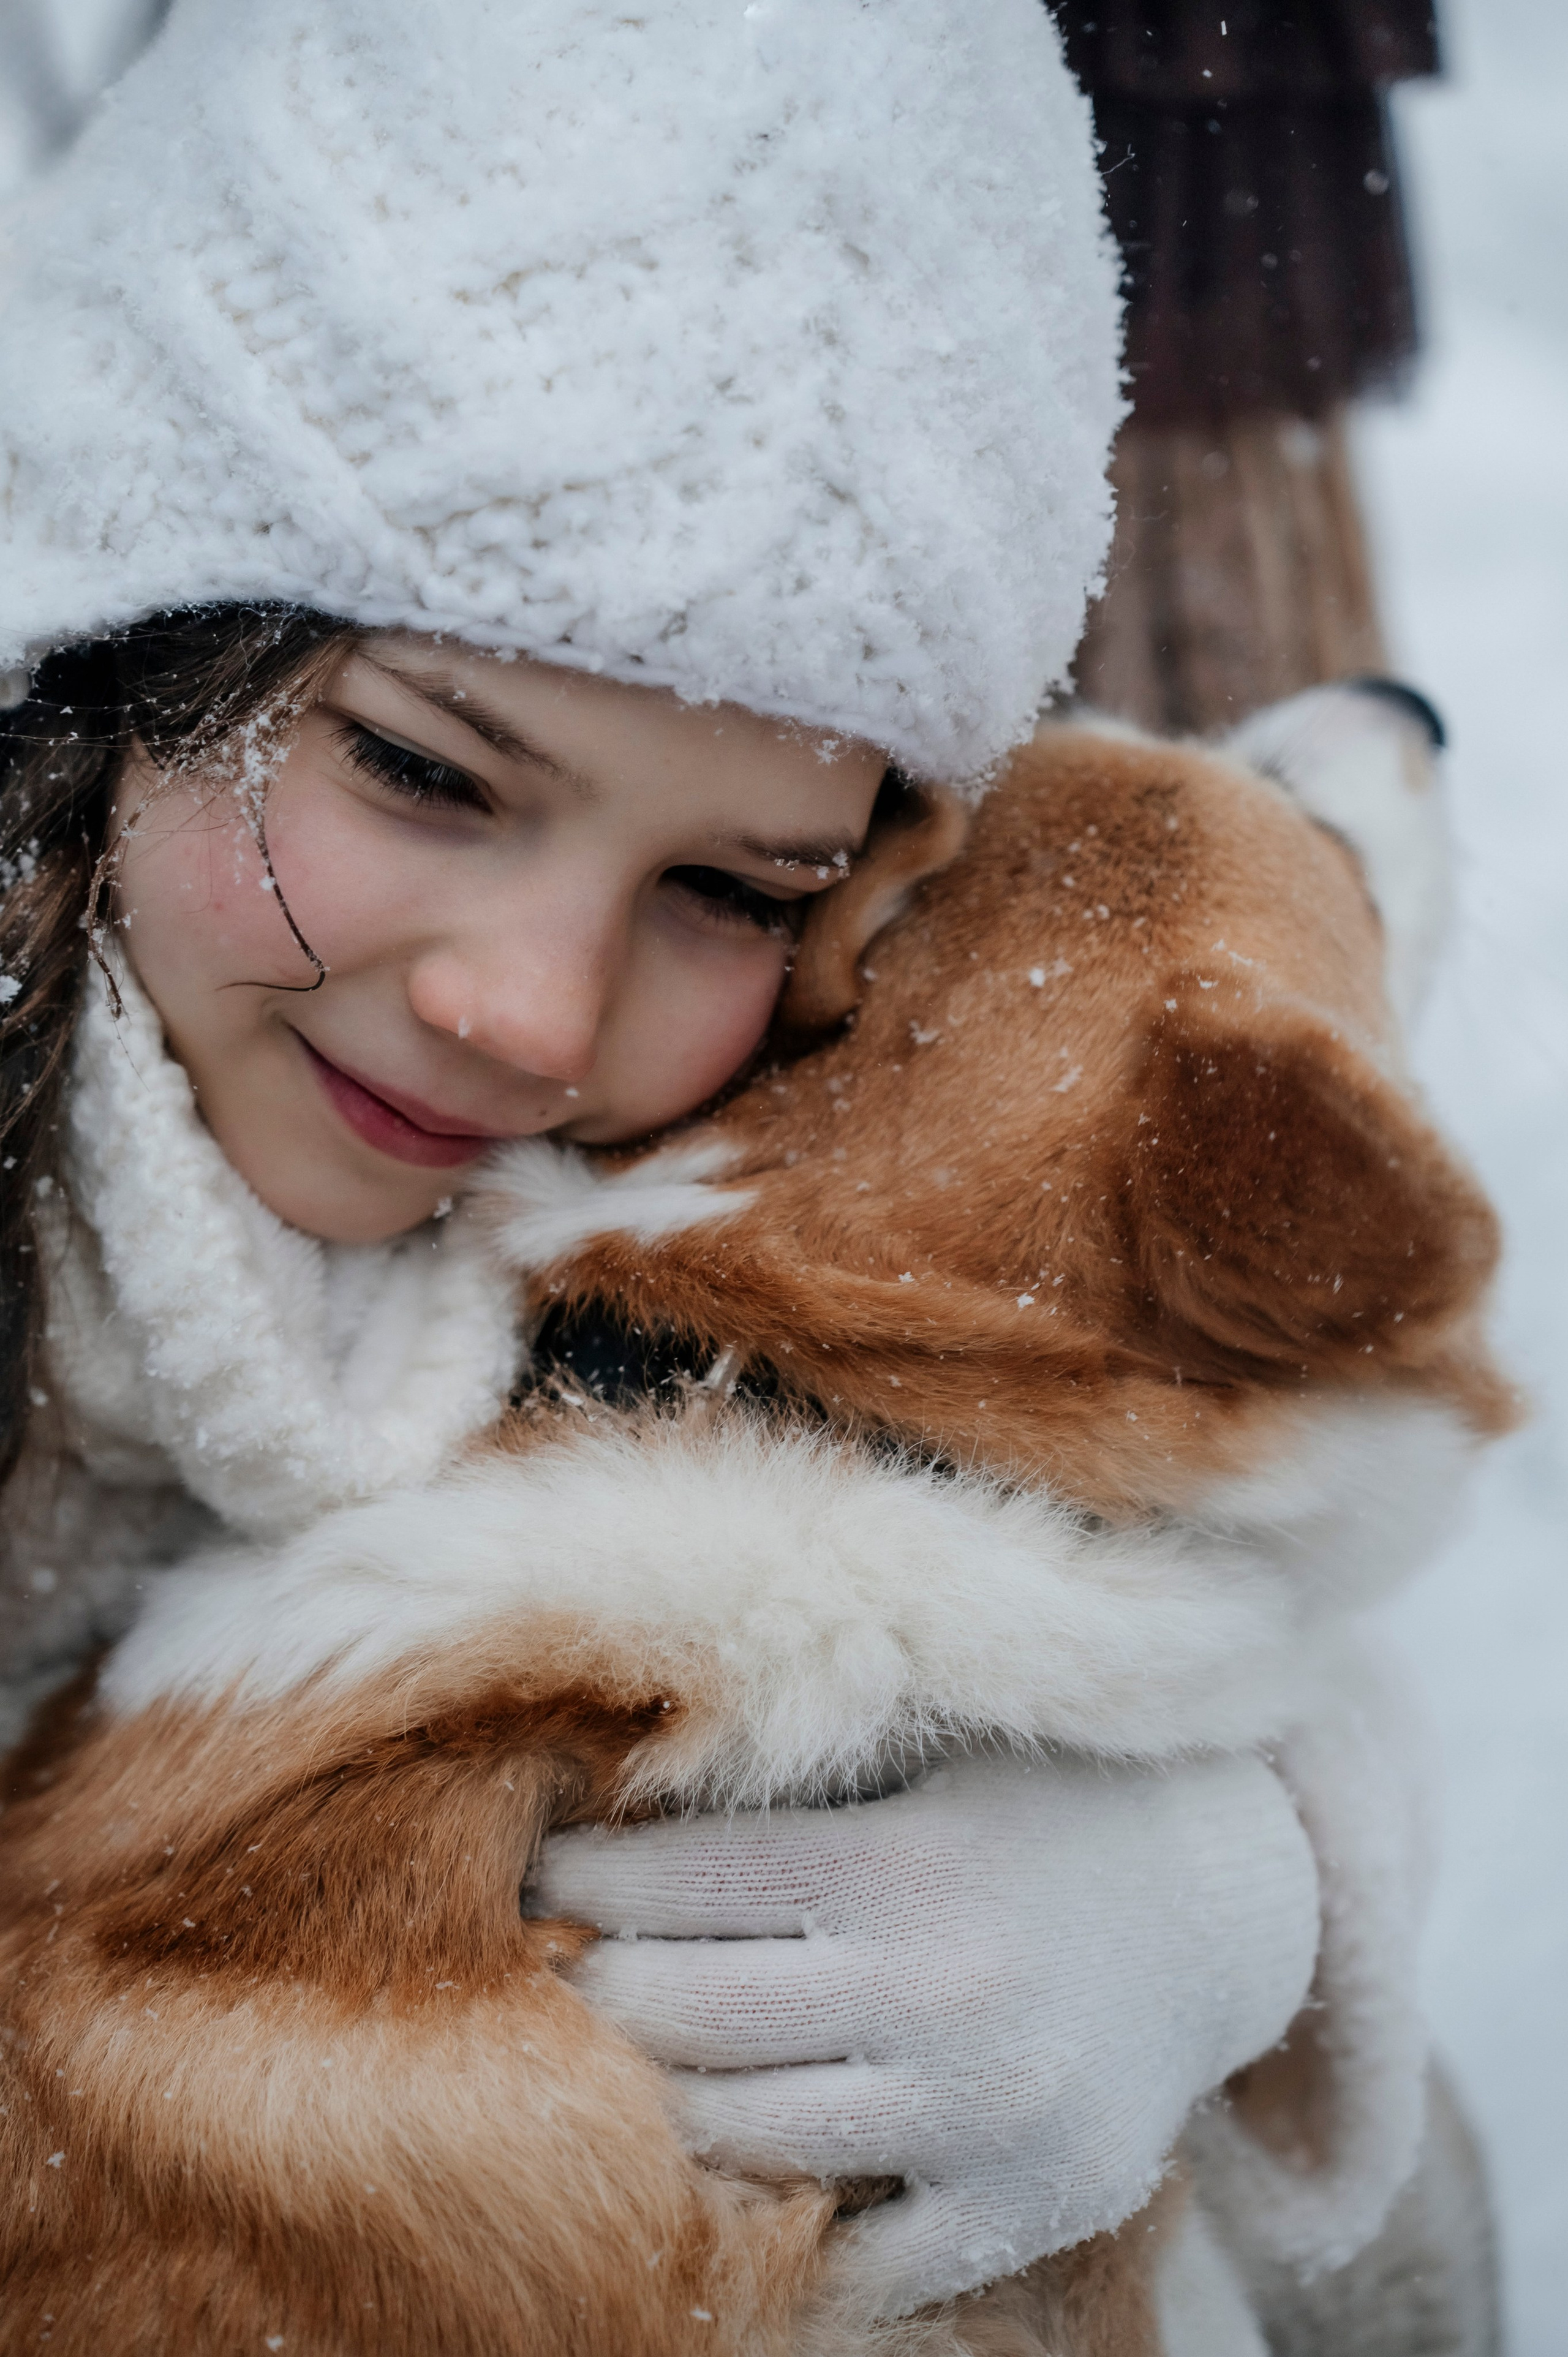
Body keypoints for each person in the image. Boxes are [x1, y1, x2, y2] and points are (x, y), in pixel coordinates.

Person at [0, 0, 1431, 2331]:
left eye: (733, 890)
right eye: (429, 774)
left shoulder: (688, 1160)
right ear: (108, 638)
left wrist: (1229, 1877)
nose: (533, 1016)